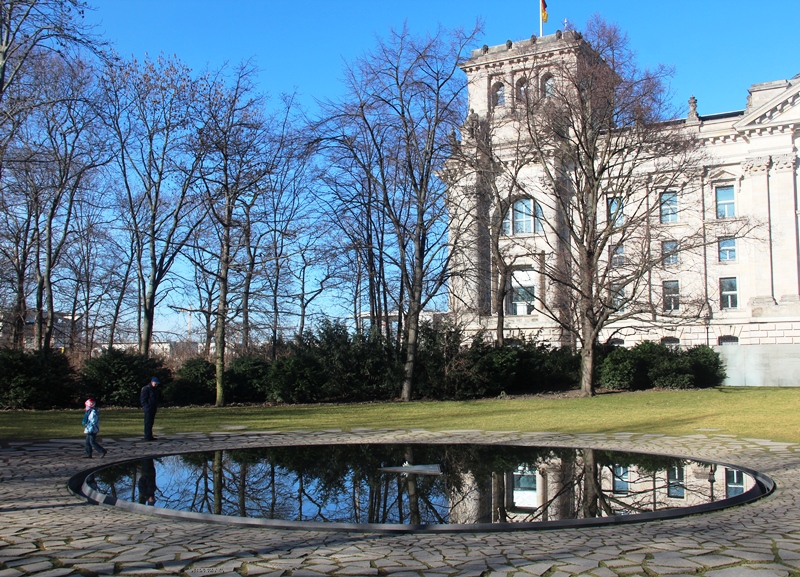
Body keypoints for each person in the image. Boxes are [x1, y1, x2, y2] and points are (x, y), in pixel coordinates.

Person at [140, 376, 160, 441]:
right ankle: (147, 436)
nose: (156, 384)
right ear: (152, 382)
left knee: (151, 422)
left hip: (153, 407)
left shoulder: (155, 389)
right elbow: (143, 399)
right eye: (155, 383)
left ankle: (150, 435)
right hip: (148, 408)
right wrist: (146, 406)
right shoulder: (146, 389)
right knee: (147, 422)